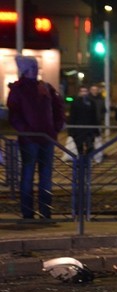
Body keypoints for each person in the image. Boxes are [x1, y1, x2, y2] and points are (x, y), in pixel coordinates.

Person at [7, 55, 66, 220]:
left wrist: (56, 126)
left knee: (42, 176)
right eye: (32, 67)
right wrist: (28, 131)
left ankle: (44, 212)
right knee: (30, 175)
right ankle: (30, 213)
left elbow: (58, 106)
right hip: (32, 139)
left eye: (35, 67)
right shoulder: (20, 89)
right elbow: (15, 115)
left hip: (43, 138)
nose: (34, 70)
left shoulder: (44, 87)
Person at [67, 85, 99, 156]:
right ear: (79, 92)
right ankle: (81, 163)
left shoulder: (91, 102)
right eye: (82, 91)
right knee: (79, 148)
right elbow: (72, 117)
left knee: (90, 146)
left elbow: (94, 117)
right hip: (78, 129)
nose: (84, 93)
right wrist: (71, 130)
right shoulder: (75, 102)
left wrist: (96, 130)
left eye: (85, 91)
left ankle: (85, 162)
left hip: (89, 129)